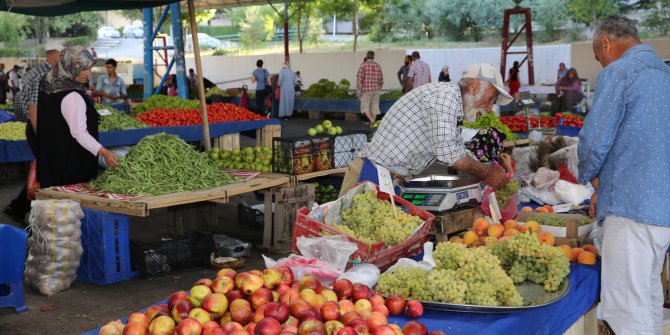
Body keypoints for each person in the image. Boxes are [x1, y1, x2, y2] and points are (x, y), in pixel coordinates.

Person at [577, 15, 670, 335]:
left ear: (605, 43)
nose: (601, 63)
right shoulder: (665, 73)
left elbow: (594, 139)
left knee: (627, 309)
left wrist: (591, 177)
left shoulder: (619, 73)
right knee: (648, 297)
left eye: (597, 57)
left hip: (631, 206)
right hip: (662, 210)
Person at [340, 63, 513, 196]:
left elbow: (457, 149)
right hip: (368, 175)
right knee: (345, 238)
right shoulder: (444, 98)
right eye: (491, 99)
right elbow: (450, 155)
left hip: (387, 177)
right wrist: (487, 172)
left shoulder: (452, 105)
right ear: (474, 87)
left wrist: (495, 164)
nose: (490, 109)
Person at [36, 46, 118, 189]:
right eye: (83, 68)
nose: (88, 73)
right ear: (70, 66)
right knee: (72, 207)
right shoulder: (72, 95)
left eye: (89, 68)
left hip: (52, 159)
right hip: (71, 165)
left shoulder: (49, 82)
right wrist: (105, 153)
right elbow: (79, 133)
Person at [4, 44, 61, 223]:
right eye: (62, 55)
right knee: (46, 171)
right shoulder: (43, 74)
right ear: (52, 56)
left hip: (39, 127)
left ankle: (19, 207)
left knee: (45, 170)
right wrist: (42, 135)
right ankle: (20, 207)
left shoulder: (40, 71)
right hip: (39, 128)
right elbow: (34, 108)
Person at [356, 51, 383, 125]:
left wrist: (358, 91)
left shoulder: (363, 65)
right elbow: (381, 80)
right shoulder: (377, 65)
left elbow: (359, 80)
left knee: (365, 106)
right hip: (376, 90)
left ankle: (372, 121)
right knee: (375, 106)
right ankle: (373, 123)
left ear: (367, 56)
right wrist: (379, 88)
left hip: (366, 90)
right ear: (373, 57)